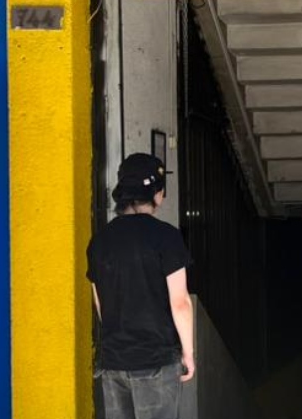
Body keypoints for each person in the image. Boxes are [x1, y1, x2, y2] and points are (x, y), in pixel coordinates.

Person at [87, 153, 195, 419]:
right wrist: (188, 353)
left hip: (113, 363)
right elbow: (180, 302)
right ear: (156, 193)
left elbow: (100, 302)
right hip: (155, 361)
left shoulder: (100, 241)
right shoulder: (166, 236)